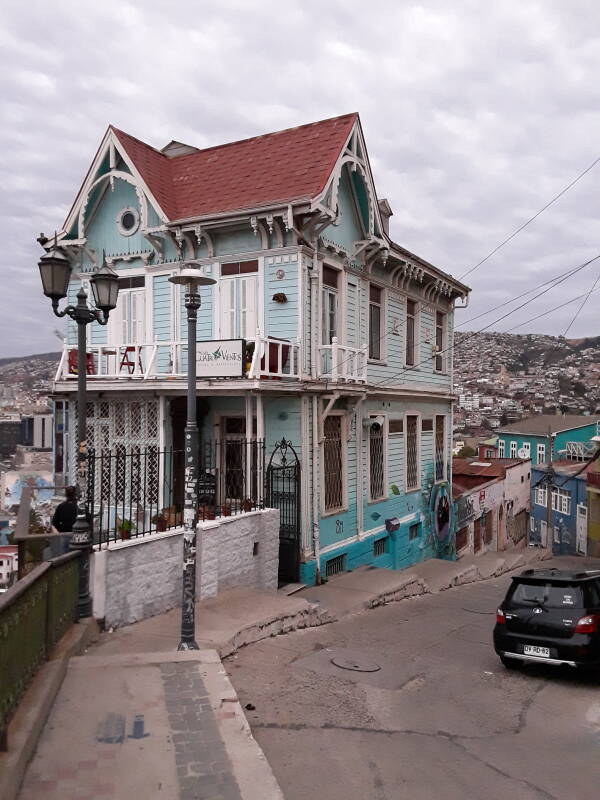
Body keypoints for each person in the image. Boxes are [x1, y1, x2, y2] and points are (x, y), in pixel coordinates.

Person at [50, 486, 79, 555]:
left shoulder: (61, 506)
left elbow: (55, 523)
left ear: (66, 495)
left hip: (65, 535)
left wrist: (61, 531)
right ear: (76, 494)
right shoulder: (79, 507)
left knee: (65, 558)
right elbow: (88, 520)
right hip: (78, 536)